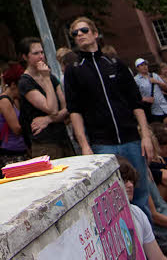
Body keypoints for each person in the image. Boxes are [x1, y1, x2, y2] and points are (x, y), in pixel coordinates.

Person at [63, 16, 153, 214]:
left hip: (131, 138)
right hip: (102, 142)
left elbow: (135, 103)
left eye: (84, 30)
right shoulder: (74, 71)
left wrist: (145, 136)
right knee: (113, 197)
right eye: (75, 33)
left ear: (95, 34)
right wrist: (84, 145)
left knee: (140, 195)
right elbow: (75, 110)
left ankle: (149, 241)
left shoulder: (115, 64)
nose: (79, 35)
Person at [18, 38, 71, 159]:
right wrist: (46, 79)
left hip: (62, 137)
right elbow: (51, 108)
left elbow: (67, 107)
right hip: (45, 143)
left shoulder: (50, 76)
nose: (41, 56)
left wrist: (48, 120)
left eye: (42, 52)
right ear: (25, 57)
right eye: (36, 53)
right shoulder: (26, 82)